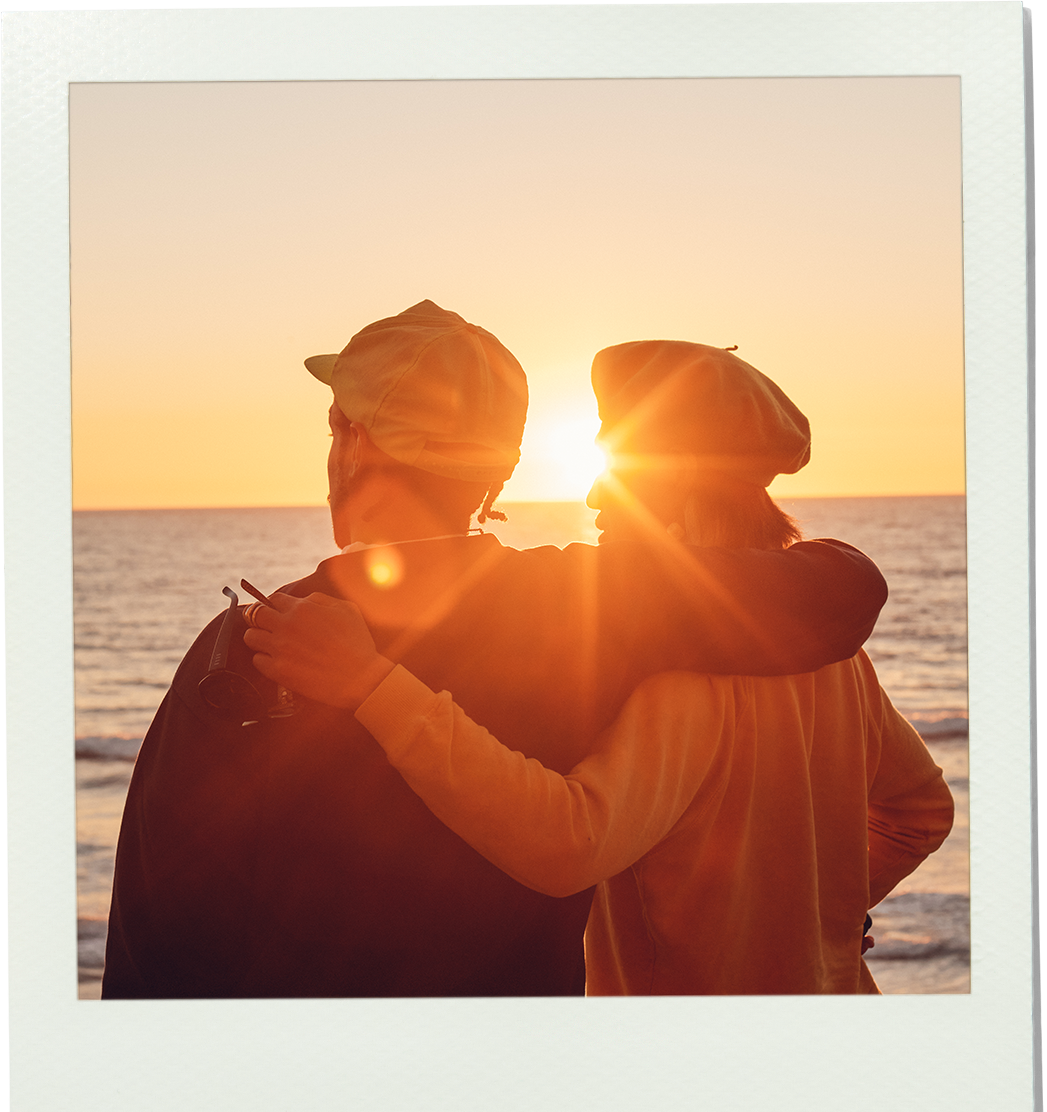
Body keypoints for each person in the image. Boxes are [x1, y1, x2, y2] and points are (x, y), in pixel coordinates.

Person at [103, 303, 889, 999]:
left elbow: (161, 929)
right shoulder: (587, 606)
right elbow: (839, 593)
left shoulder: (252, 645)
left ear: (352, 439)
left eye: (337, 425)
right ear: (503, 467)